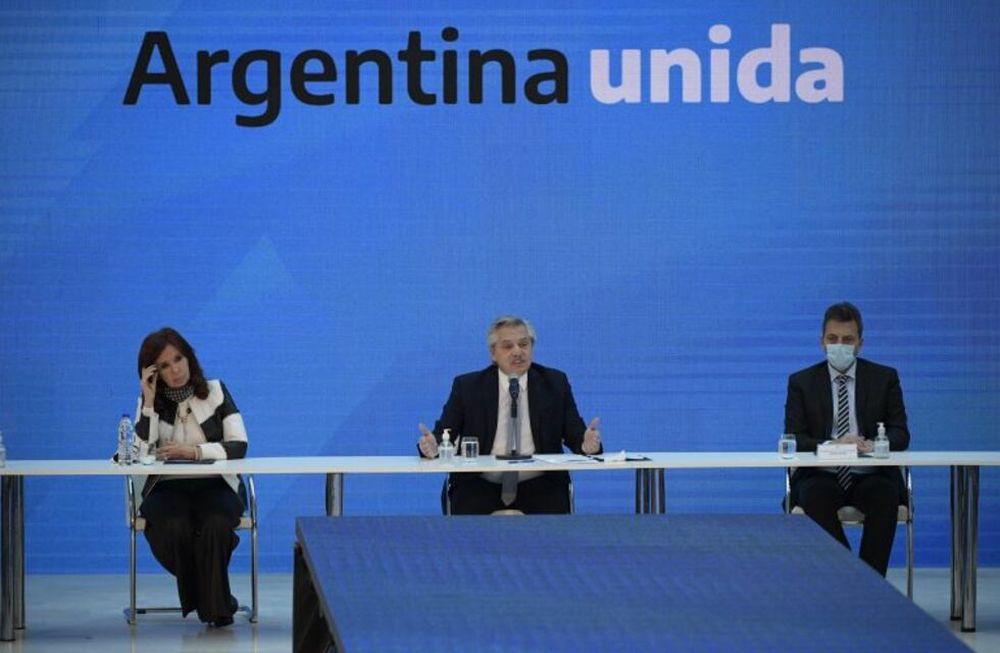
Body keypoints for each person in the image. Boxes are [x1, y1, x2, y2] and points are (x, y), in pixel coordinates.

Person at [417, 315, 602, 514]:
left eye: (524, 344)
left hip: (539, 485)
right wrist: (431, 446)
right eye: (508, 346)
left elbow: (575, 433)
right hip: (480, 484)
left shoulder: (554, 383)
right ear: (493, 353)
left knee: (551, 538)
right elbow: (445, 433)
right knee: (468, 535)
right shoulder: (468, 386)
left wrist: (588, 444)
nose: (517, 352)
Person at [784, 302, 910, 576]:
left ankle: (871, 583)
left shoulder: (884, 378)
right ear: (822, 342)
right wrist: (831, 445)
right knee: (813, 496)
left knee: (885, 496)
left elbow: (900, 433)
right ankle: (855, 579)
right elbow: (794, 438)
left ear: (860, 344)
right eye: (833, 339)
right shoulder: (801, 382)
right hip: (823, 474)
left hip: (870, 473)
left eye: (848, 340)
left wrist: (874, 444)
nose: (839, 346)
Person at [133, 327, 248, 627]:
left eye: (178, 359)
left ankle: (212, 602)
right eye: (164, 366)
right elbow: (137, 453)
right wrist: (148, 400)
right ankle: (218, 601)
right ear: (153, 373)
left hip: (215, 483)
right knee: (173, 527)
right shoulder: (150, 404)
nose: (175, 370)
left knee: (216, 523)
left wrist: (193, 451)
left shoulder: (216, 391)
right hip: (166, 487)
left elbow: (239, 445)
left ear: (189, 357)